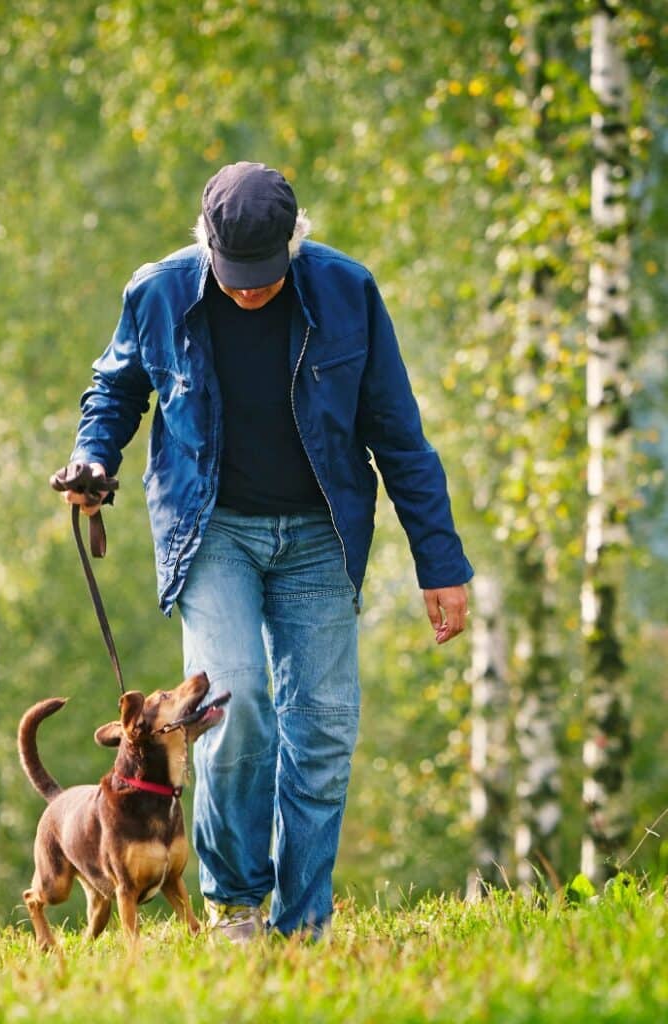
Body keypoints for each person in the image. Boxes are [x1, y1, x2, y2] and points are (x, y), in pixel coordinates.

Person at [56, 161, 472, 941]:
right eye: (234, 275)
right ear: (205, 246)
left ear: (296, 243)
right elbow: (115, 389)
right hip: (212, 530)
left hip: (321, 536)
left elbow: (399, 435)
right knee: (234, 706)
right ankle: (237, 907)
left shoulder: (349, 293)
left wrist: (440, 564)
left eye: (265, 275)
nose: (249, 290)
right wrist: (94, 459)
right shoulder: (160, 292)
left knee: (320, 726)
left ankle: (303, 922)